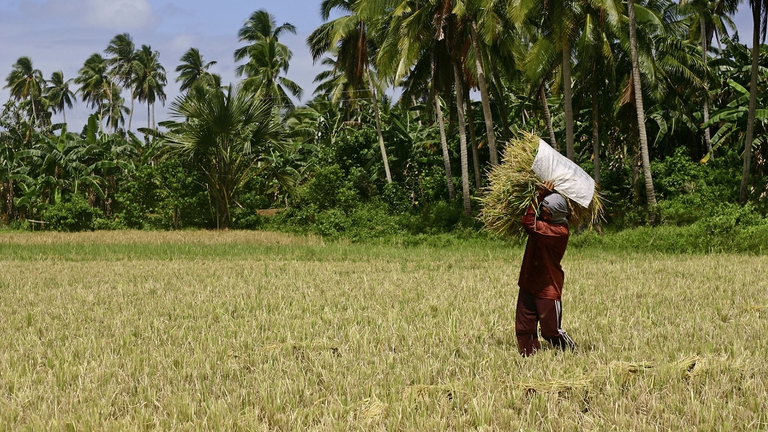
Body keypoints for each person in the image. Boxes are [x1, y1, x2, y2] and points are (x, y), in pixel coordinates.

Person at [515, 180, 577, 356]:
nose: (543, 215)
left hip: (548, 286)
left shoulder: (559, 231)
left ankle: (571, 351)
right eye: (542, 211)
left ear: (558, 215)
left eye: (547, 213)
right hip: (528, 281)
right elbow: (529, 217)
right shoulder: (544, 222)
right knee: (524, 328)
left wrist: (539, 193)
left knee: (551, 331)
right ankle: (529, 356)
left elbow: (528, 222)